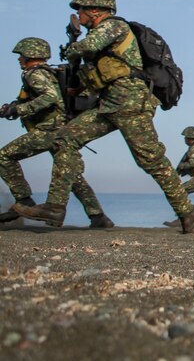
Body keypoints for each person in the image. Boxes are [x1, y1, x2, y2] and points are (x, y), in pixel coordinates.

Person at [15, 0, 194, 232]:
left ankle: (188, 213)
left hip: (130, 104)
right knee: (64, 139)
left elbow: (88, 46)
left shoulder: (114, 26)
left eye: (82, 9)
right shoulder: (101, 36)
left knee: (151, 161)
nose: (80, 15)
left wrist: (72, 48)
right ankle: (55, 206)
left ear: (95, 9)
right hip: (109, 105)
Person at [0, 37, 113, 228]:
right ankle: (98, 216)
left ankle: (24, 200)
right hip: (63, 129)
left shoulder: (33, 74)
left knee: (3, 156)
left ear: (30, 55)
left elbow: (50, 97)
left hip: (49, 130)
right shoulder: (49, 73)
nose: (19, 59)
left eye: (21, 55)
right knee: (70, 173)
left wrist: (19, 110)